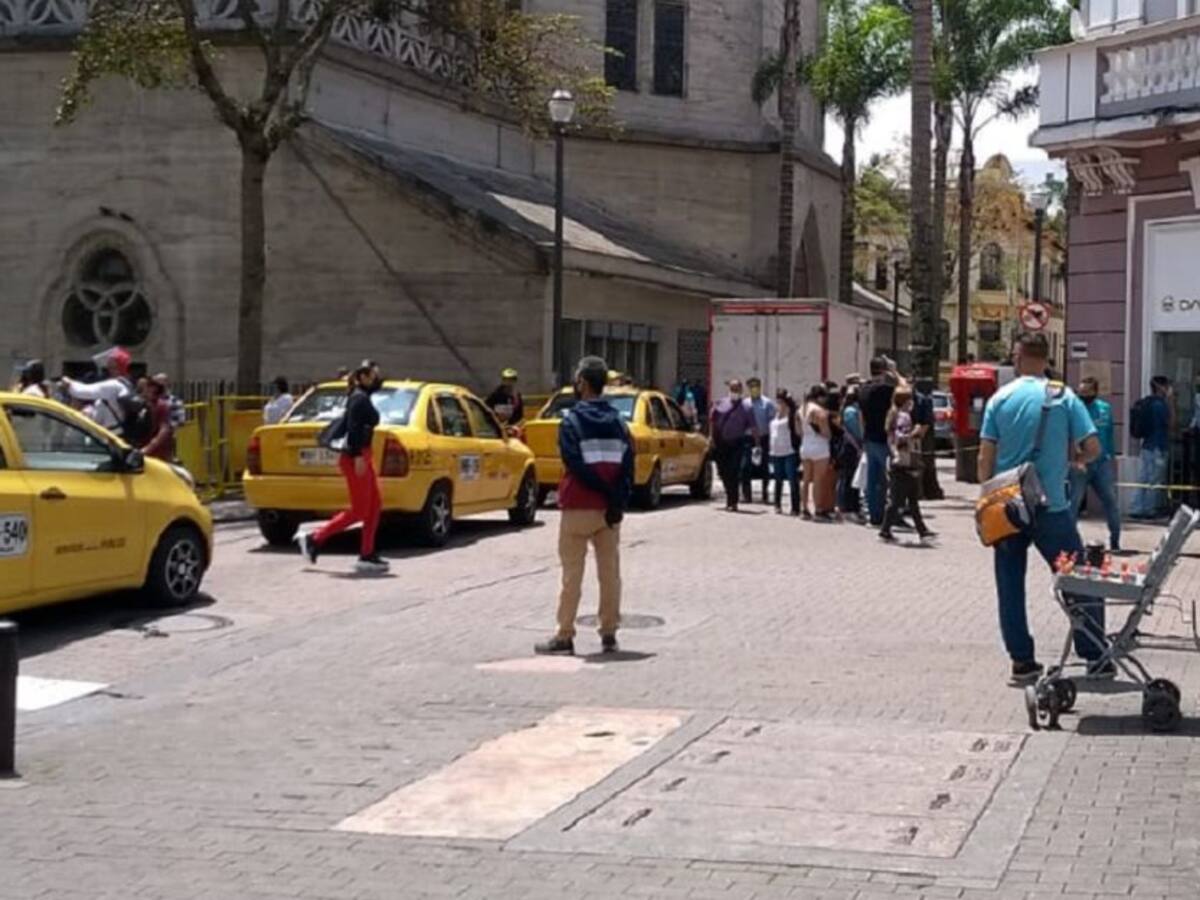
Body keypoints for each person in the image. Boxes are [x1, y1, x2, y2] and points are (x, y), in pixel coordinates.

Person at [979, 332, 1107, 684]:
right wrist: (1074, 459)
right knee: (1079, 579)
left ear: (1017, 357)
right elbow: (1094, 447)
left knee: (1009, 584)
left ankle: (1022, 662)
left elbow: (984, 460)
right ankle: (1095, 653)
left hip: (1008, 508)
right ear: (1047, 358)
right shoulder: (1064, 396)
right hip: (1052, 507)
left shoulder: (999, 399)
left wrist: (987, 497)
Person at [535, 356, 634, 656]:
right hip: (609, 511)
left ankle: (565, 634)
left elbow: (573, 463)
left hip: (578, 506)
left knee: (571, 575)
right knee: (610, 574)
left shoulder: (571, 421)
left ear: (582, 383)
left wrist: (600, 488)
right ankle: (609, 633)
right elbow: (628, 465)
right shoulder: (619, 423)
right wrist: (616, 498)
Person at [297, 361, 388, 574]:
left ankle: (367, 554)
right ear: (364, 377)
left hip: (362, 455)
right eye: (374, 375)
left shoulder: (361, 395)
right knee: (359, 510)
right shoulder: (359, 398)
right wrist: (357, 456)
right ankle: (314, 538)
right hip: (355, 457)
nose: (377, 379)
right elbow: (355, 428)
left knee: (374, 506)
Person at [1070, 376, 1121, 552]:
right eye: (1080, 392)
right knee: (1074, 503)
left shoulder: (1105, 409)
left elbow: (1109, 435)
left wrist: (1112, 458)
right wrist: (1076, 458)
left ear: (1095, 392)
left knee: (1111, 502)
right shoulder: (1074, 408)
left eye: (1087, 392)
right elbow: (1069, 436)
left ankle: (1115, 541)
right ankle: (1070, 542)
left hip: (1102, 463)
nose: (1082, 395)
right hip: (1081, 462)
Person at [879, 389, 934, 544]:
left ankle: (922, 530)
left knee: (911, 499)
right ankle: (885, 529)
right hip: (904, 462)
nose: (913, 403)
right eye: (910, 400)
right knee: (898, 500)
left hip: (899, 462)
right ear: (905, 401)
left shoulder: (893, 415)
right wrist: (915, 433)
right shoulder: (903, 416)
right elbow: (901, 438)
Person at [859, 357, 900, 526]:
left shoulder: (863, 390)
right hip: (884, 439)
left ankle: (873, 515)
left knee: (872, 478)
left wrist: (863, 437)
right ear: (884, 371)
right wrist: (895, 371)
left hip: (869, 438)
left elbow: (861, 418)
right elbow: (905, 389)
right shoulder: (887, 390)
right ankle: (888, 515)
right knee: (888, 480)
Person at [710, 379, 759, 512]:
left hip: (737, 443)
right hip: (721, 443)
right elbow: (713, 422)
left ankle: (733, 501)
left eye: (737, 389)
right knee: (723, 472)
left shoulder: (747, 407)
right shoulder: (720, 403)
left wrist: (757, 445)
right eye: (732, 389)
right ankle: (729, 496)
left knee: (734, 471)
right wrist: (711, 438)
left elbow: (754, 427)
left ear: (741, 391)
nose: (734, 392)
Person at [1130, 376, 1174, 520]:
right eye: (1167, 386)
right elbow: (1172, 424)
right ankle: (1149, 510)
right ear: (1161, 387)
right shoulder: (1160, 405)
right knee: (1154, 480)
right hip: (1158, 447)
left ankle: (1137, 508)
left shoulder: (1148, 403)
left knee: (1143, 478)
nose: (1169, 389)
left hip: (1147, 446)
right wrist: (1172, 402)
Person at [60, 346, 134, 432]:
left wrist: (68, 382)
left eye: (111, 366)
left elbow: (83, 391)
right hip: (114, 431)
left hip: (112, 434)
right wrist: (89, 411)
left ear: (117, 367)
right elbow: (103, 408)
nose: (108, 369)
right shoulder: (126, 384)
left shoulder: (113, 385)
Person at [799, 384, 834, 521]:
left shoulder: (801, 409)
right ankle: (818, 510)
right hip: (819, 446)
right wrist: (829, 435)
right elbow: (826, 432)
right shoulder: (820, 411)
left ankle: (804, 509)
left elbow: (798, 430)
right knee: (819, 479)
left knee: (805, 479)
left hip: (805, 444)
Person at [741, 377, 775, 504]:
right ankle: (746, 495)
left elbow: (772, 422)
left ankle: (765, 495)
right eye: (752, 387)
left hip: (764, 438)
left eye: (756, 386)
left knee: (764, 467)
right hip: (748, 439)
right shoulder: (744, 404)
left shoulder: (767, 403)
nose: (754, 389)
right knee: (745, 467)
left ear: (760, 387)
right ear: (749, 388)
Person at [770, 389, 800, 516]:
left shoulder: (792, 416)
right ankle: (777, 504)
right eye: (777, 401)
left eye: (781, 401)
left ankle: (795, 507)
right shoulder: (775, 416)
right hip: (776, 452)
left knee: (792, 480)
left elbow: (798, 433)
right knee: (778, 479)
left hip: (789, 451)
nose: (779, 404)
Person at [913, 379, 944, 501]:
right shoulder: (923, 399)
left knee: (921, 464)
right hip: (918, 435)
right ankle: (921, 492)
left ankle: (921, 492)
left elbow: (926, 422)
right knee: (922, 465)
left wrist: (918, 437)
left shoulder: (922, 400)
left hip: (920, 436)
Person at [837, 387, 864, 521]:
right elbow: (856, 432)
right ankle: (849, 508)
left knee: (849, 478)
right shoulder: (851, 411)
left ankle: (847, 507)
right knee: (850, 479)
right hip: (851, 448)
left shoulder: (848, 409)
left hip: (851, 447)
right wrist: (860, 447)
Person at [141, 377, 176, 462]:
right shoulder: (142, 405)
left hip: (158, 451)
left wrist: (150, 447)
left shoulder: (161, 406)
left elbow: (164, 429)